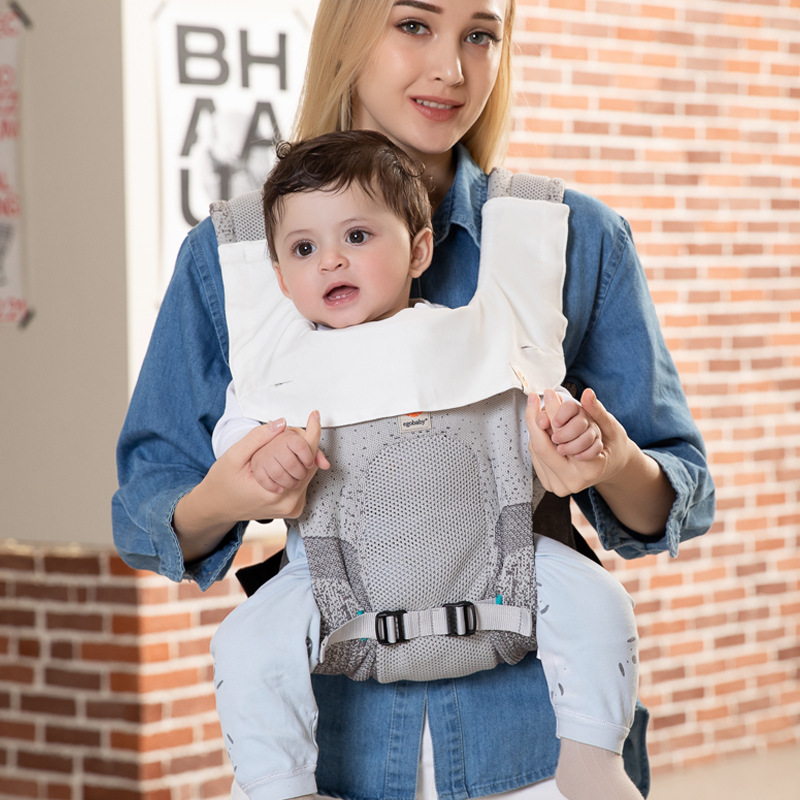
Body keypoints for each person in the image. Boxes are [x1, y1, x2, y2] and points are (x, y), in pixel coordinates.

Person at [112, 1, 716, 798]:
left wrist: (603, 462)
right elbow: (147, 513)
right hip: (338, 751)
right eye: (413, 25)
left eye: (480, 34)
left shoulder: (568, 236)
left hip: (542, 747)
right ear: (348, 36)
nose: (451, 69)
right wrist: (231, 492)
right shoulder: (238, 262)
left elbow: (676, 498)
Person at [209, 129, 642, 800]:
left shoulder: (475, 334)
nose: (330, 261)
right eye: (304, 249)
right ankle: (277, 786)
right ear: (278, 279)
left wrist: (564, 431)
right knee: (244, 642)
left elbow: (539, 409)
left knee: (598, 601)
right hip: (334, 588)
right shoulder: (279, 371)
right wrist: (267, 464)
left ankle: (591, 757)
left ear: (418, 249)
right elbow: (235, 456)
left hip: (502, 574)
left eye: (356, 237)